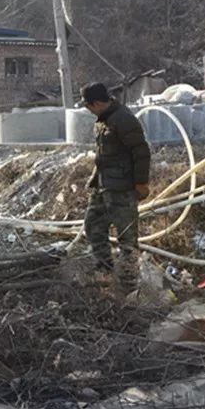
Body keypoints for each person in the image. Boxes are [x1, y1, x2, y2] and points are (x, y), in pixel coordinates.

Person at [80, 82, 151, 292]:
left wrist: (141, 183)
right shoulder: (103, 120)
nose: (88, 110)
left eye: (89, 106)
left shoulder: (123, 119)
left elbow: (141, 152)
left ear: (99, 103)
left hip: (123, 189)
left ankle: (129, 284)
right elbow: (104, 156)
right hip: (104, 187)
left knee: (127, 239)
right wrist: (95, 180)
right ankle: (105, 270)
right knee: (93, 225)